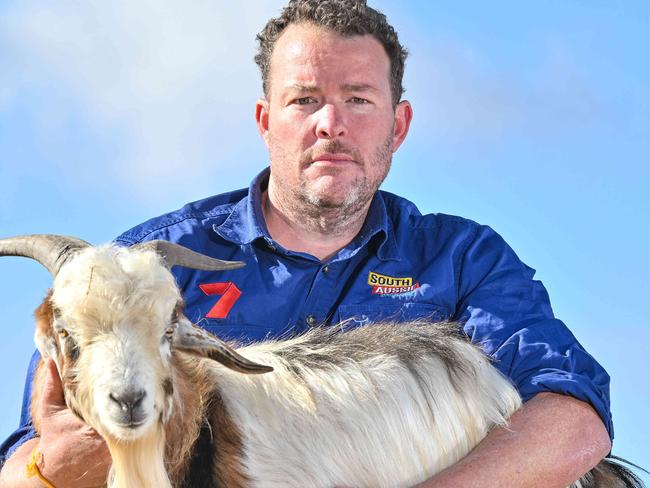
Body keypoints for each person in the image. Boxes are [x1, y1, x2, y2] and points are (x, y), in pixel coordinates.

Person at [0, 1, 613, 486]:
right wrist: (51, 471)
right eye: (305, 100)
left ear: (398, 124)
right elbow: (22, 464)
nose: (330, 123)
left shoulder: (463, 262)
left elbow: (575, 421)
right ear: (266, 120)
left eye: (358, 99)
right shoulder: (144, 271)